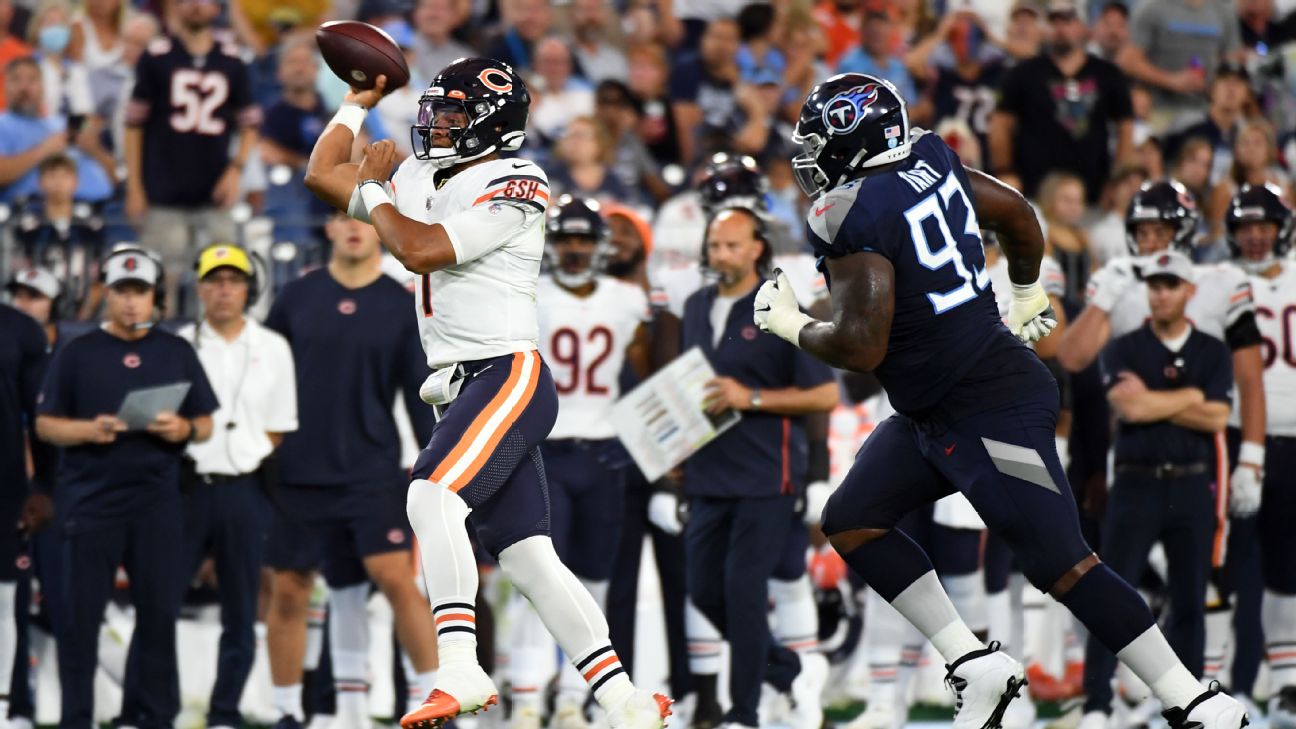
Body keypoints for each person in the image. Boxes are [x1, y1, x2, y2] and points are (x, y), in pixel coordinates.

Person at [755, 71, 1248, 729]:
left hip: (989, 402)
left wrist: (789, 322)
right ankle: (974, 664)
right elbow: (1017, 212)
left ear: (854, 136)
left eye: (819, 140)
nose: (810, 157)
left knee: (1062, 565)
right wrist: (1025, 291)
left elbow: (862, 346)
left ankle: (1196, 700)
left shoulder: (846, 211)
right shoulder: (929, 157)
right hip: (940, 404)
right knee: (853, 518)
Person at [301, 56, 672, 729]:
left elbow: (420, 248)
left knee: (430, 492)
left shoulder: (518, 180)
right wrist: (355, 104)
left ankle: (460, 668)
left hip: (506, 373)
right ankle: (629, 700)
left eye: (450, 115)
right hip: (463, 385)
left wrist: (379, 190)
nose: (434, 125)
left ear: (490, 124)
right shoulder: (419, 174)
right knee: (529, 558)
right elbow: (323, 175)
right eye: (433, 111)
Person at [262, 213, 438, 729]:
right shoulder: (296, 298)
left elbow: (417, 395)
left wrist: (438, 471)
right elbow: (266, 377)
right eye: (344, 218)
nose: (356, 228)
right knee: (290, 589)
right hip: (296, 471)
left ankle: (436, 705)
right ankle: (287, 713)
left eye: (365, 219)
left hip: (371, 470)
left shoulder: (399, 304)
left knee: (396, 581)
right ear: (330, 229)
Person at [35, 246, 218, 729]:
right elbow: (47, 425)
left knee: (158, 617)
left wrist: (182, 431)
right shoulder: (77, 352)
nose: (132, 303)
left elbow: (205, 421)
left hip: (157, 502)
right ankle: (77, 718)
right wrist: (87, 431)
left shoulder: (176, 350)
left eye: (140, 293)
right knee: (80, 620)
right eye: (122, 292)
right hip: (89, 502)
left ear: (155, 298)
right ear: (107, 296)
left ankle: (152, 717)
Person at [681, 207, 838, 729]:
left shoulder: (779, 306)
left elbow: (824, 393)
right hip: (707, 472)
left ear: (756, 249)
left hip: (768, 474)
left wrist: (748, 397)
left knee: (743, 591)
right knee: (705, 590)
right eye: (714, 244)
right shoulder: (694, 306)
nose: (719, 253)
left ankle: (742, 714)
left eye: (730, 245)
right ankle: (792, 671)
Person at [510, 196, 651, 729]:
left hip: (605, 454)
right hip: (541, 452)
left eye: (582, 240)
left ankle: (574, 696)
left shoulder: (627, 300)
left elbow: (648, 378)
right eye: (565, 239)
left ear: (599, 247)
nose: (572, 249)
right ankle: (526, 695)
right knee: (535, 580)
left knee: (592, 583)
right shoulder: (530, 295)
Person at [1057, 181, 1267, 535]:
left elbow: (1250, 378)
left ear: (1183, 233)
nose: (1150, 243)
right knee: (1127, 570)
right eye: (1143, 232)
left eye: (1160, 232)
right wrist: (1102, 302)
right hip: (1131, 445)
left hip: (1200, 450)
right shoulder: (1116, 279)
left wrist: (1251, 456)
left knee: (1197, 575)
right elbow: (1072, 359)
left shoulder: (1221, 282)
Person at [1078, 250, 1233, 728]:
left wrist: (1155, 401)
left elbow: (1218, 416)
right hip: (1136, 481)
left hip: (1190, 484)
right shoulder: (1124, 347)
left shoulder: (1213, 349)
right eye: (1155, 284)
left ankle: (1187, 706)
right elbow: (1130, 410)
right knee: (1113, 594)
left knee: (1190, 601)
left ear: (1189, 290)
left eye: (1171, 284)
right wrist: (1188, 397)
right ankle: (1097, 705)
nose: (1161, 292)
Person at [178, 243, 297, 729]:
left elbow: (279, 425)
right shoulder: (179, 343)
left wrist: (245, 454)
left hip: (247, 486)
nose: (224, 290)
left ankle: (224, 712)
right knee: (158, 598)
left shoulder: (273, 347)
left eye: (233, 280)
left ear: (250, 288)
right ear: (201, 288)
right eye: (214, 280)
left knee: (242, 606)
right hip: (186, 486)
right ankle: (155, 707)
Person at [124, 0, 260, 311]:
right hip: (163, 193)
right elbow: (133, 127)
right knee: (159, 291)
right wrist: (135, 187)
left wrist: (236, 169)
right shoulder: (156, 57)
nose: (196, 6)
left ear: (217, 8)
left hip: (215, 193)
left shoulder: (232, 60)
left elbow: (250, 125)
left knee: (220, 286)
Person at [1221, 184, 1296, 726]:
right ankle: (1241, 679)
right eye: (1245, 227)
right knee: (1239, 566)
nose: (1254, 236)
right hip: (1238, 434)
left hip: (1293, 434)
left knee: (1287, 564)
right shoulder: (1219, 282)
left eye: (1263, 226)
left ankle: (1287, 678)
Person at [990, 0, 1133, 203]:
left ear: (1085, 27)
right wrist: (1005, 171)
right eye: (1054, 22)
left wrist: (1117, 182)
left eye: (1068, 21)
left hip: (1091, 190)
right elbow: (1000, 125)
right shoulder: (1023, 72)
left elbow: (1125, 130)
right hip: (1032, 190)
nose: (1060, 29)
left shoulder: (1108, 74)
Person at [0, 295, 54, 729]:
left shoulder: (20, 329)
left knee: (4, 604)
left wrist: (43, 486)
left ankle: (10, 708)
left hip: (4, 490)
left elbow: (41, 416)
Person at [0, 57, 113, 204]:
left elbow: (114, 175)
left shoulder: (62, 123)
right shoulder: (3, 123)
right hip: (34, 211)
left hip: (100, 206)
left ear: (43, 87)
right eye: (16, 80)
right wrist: (44, 150)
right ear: (5, 87)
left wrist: (95, 150)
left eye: (32, 80)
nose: (24, 87)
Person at [12, 154, 107, 320]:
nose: (58, 182)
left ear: (75, 183)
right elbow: (19, 271)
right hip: (36, 307)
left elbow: (99, 278)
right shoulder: (27, 228)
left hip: (80, 308)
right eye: (52, 176)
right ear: (40, 183)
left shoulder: (90, 227)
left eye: (64, 176)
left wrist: (84, 314)